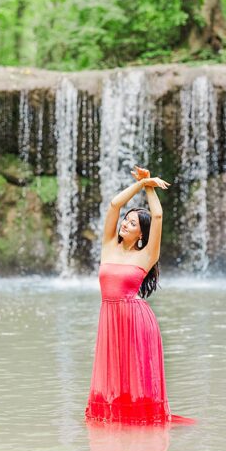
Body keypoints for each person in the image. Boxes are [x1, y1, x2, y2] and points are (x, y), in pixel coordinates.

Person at [85, 166, 192, 424]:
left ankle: (139, 427)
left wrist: (150, 188)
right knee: (114, 375)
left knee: (136, 375)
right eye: (126, 219)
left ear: (141, 234)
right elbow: (113, 205)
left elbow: (157, 216)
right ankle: (117, 423)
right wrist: (140, 183)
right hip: (110, 318)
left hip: (136, 320)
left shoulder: (146, 256)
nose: (125, 223)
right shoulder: (109, 246)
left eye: (132, 223)